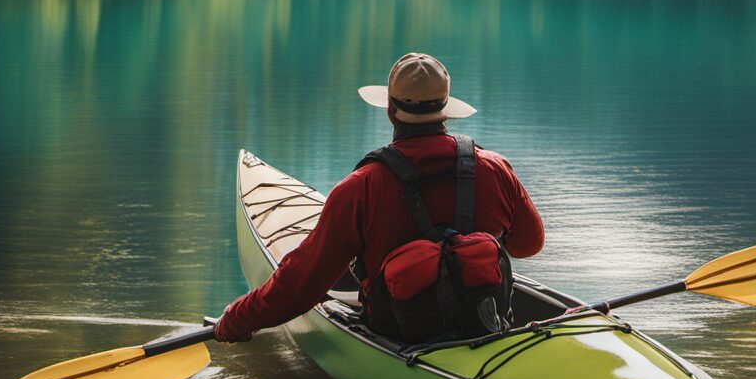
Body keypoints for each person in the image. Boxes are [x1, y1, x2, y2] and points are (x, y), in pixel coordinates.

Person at [212, 53, 544, 342]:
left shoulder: (360, 189)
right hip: (486, 323)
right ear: (445, 109)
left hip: (402, 335)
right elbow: (528, 245)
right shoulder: (494, 168)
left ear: (390, 110)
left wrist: (237, 319)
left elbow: (299, 286)